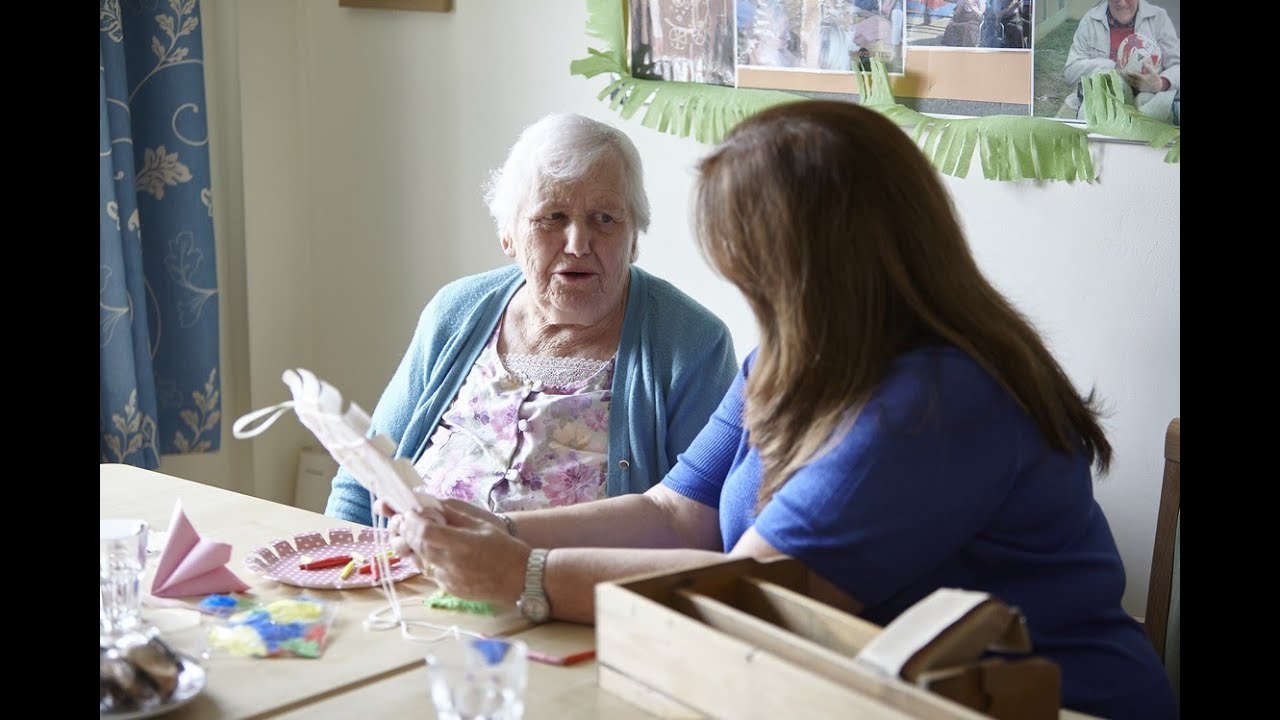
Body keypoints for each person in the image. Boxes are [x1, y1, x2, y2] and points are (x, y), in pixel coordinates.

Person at [380, 100, 1177, 719]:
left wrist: (526, 576)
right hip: (874, 691)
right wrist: (494, 532)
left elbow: (761, 584)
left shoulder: (937, 400)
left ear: (814, 263)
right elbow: (673, 512)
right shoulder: (801, 355)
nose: (739, 283)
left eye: (748, 260)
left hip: (1046, 706)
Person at [323, 113, 738, 526]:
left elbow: (702, 524)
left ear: (634, 240)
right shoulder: (457, 310)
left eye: (605, 218)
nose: (577, 244)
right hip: (413, 579)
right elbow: (365, 480)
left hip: (574, 589)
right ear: (508, 235)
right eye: (551, 217)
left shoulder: (692, 344)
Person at [1064, 0, 1180, 122]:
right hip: (1103, 108)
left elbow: (1177, 65)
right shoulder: (1090, 21)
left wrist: (1160, 83)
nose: (1122, 3)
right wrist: (1114, 68)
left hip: (1148, 109)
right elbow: (1071, 71)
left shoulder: (1158, 18)